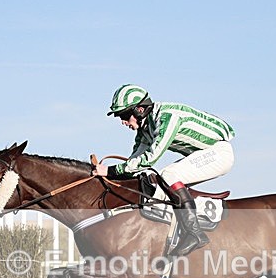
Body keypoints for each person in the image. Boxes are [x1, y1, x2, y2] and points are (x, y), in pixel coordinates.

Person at [92, 84, 235, 256]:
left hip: (219, 153)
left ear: (139, 110)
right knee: (158, 183)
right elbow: (134, 163)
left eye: (124, 115)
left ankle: (194, 233)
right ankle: (179, 230)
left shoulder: (166, 118)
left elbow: (150, 158)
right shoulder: (144, 130)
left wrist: (109, 171)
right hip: (205, 153)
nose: (123, 122)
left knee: (169, 174)